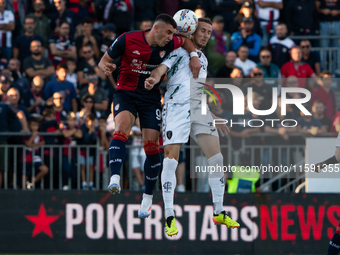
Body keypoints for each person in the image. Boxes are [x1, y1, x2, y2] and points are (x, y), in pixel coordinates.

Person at [98, 14, 201, 219]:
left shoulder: (172, 42)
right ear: (156, 29)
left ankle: (147, 198)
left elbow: (187, 41)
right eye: (169, 33)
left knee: (151, 145)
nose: (172, 38)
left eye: (174, 33)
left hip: (150, 98)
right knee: (122, 129)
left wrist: (194, 56)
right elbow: (104, 61)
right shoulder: (127, 39)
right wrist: (106, 67)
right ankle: (115, 177)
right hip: (125, 93)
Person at [144, 17, 240, 236]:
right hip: (176, 108)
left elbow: (196, 89)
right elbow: (161, 69)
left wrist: (211, 113)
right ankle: (169, 215)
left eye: (209, 32)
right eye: (203, 31)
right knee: (170, 161)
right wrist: (153, 78)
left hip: (199, 110)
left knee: (216, 158)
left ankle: (219, 210)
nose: (206, 35)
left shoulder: (203, 59)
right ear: (191, 31)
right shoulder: (179, 51)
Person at [0, 101, 28, 188]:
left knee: (0, 169)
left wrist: (25, 128)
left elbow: (20, 113)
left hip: (2, 140)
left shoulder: (4, 106)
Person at [23, 117, 49, 189]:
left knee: (44, 169)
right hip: (27, 156)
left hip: (36, 157)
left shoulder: (39, 135)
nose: (35, 127)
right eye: (33, 125)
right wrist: (33, 136)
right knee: (26, 173)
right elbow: (27, 144)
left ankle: (32, 183)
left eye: (36, 125)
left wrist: (32, 145)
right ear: (29, 126)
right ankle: (24, 189)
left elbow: (43, 142)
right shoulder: (27, 134)